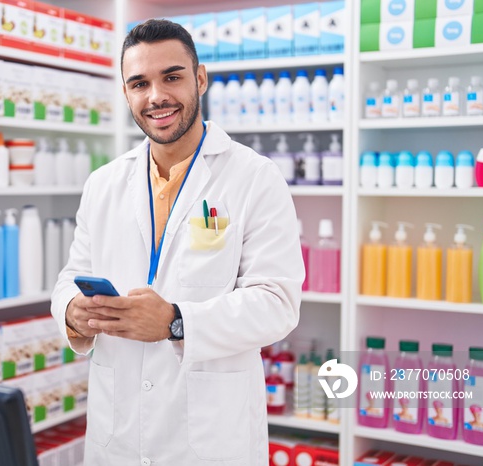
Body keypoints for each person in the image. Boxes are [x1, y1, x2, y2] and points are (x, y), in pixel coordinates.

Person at [51, 19, 303, 466]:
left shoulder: (253, 177)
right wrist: (72, 310)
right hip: (118, 435)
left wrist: (175, 321)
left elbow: (276, 303)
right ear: (126, 93)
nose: (156, 97)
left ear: (200, 78)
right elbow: (71, 276)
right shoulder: (104, 183)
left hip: (209, 439)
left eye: (172, 77)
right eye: (139, 83)